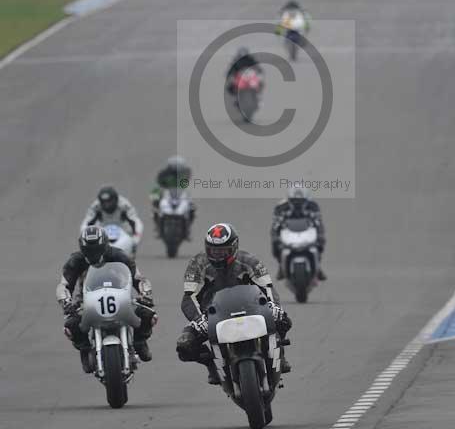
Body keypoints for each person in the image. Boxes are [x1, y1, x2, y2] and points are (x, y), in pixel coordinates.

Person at [176, 223, 292, 384]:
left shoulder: (250, 261)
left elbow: (267, 288)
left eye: (222, 251)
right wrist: (199, 319)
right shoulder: (197, 263)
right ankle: (211, 363)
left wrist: (273, 306)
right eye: (213, 251)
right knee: (184, 345)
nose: (217, 256)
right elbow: (189, 297)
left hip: (250, 308)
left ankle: (279, 353)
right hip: (212, 314)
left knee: (283, 320)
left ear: (234, 247)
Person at [56, 226, 157, 373]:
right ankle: (85, 349)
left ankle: (140, 342)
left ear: (105, 246)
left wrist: (145, 294)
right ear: (82, 248)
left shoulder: (119, 256)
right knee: (71, 325)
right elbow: (64, 285)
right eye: (88, 250)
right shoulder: (75, 260)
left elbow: (138, 277)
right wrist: (66, 302)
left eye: (96, 249)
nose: (93, 254)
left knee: (149, 314)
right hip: (87, 301)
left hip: (121, 296)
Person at [271, 187, 327, 280]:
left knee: (319, 243)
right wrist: (275, 236)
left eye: (300, 201)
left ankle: (318, 267)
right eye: (295, 200)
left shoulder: (313, 206)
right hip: (288, 231)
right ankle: (281, 266)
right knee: (275, 243)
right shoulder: (281, 207)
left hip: (306, 230)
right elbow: (275, 225)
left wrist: (320, 234)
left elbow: (318, 222)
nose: (297, 203)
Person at [150, 156, 196, 238]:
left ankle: (187, 228)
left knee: (192, 208)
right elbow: (158, 184)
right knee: (155, 206)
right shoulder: (164, 173)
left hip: (180, 193)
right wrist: (156, 197)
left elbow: (187, 183)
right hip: (167, 193)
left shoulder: (186, 172)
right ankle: (158, 226)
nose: (176, 172)